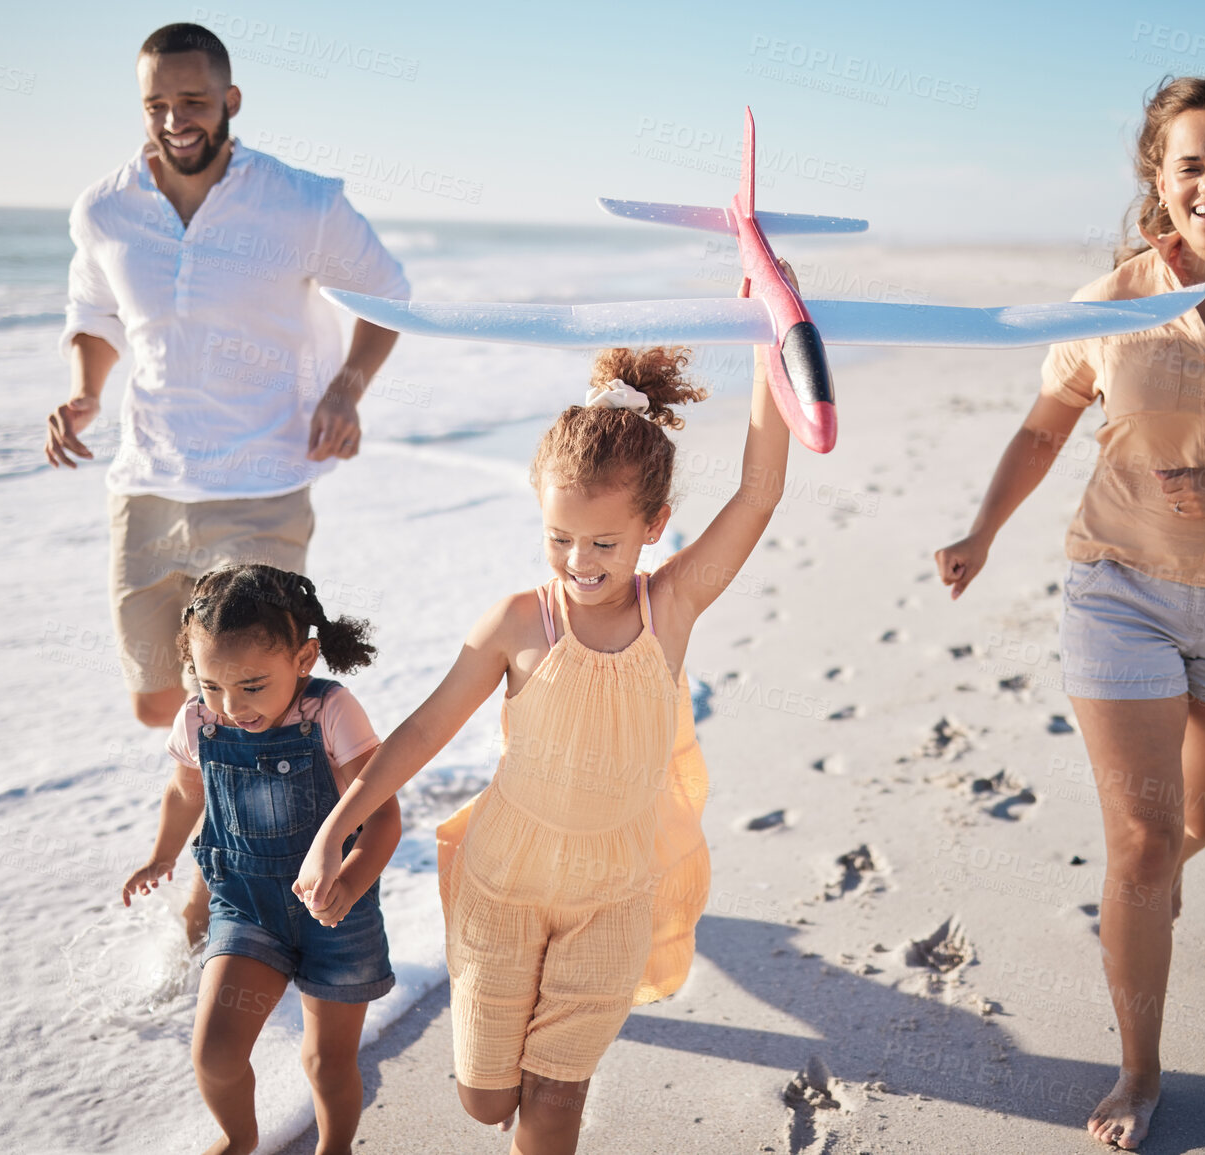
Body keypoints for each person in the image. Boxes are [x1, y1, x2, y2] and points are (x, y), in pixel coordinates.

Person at [935, 74, 1205, 1150]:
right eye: (1190, 165)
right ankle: (1139, 1070)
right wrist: (983, 530)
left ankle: (1162, 884)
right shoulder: (1114, 302)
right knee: (1141, 840)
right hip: (1119, 588)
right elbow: (1045, 432)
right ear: (1160, 178)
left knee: (1197, 827)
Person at [294, 275, 795, 1153]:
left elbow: (758, 491)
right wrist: (339, 819)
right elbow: (421, 730)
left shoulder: (669, 608)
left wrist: (775, 336)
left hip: (612, 893)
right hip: (504, 882)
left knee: (556, 1097)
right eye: (559, 538)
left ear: (655, 526)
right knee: (488, 1102)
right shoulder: (520, 623)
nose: (580, 561)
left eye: (604, 542)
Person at [48, 22, 406, 942]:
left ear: (231, 102)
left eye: (193, 102)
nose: (175, 120)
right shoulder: (103, 209)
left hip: (261, 482)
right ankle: (250, 816)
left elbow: (387, 293)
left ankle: (247, 873)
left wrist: (347, 389)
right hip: (150, 484)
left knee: (260, 703)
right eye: (157, 105)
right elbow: (93, 312)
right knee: (160, 700)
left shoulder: (299, 201)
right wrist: (85, 392)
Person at [122, 564, 399, 1155]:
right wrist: (159, 856)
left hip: (336, 916)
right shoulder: (199, 719)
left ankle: (336, 1147)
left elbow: (381, 815)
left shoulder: (329, 710)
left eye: (251, 686)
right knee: (216, 1053)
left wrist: (349, 883)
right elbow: (185, 792)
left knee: (327, 1061)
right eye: (211, 684)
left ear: (304, 659)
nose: (231, 705)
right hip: (245, 905)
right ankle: (240, 1139)